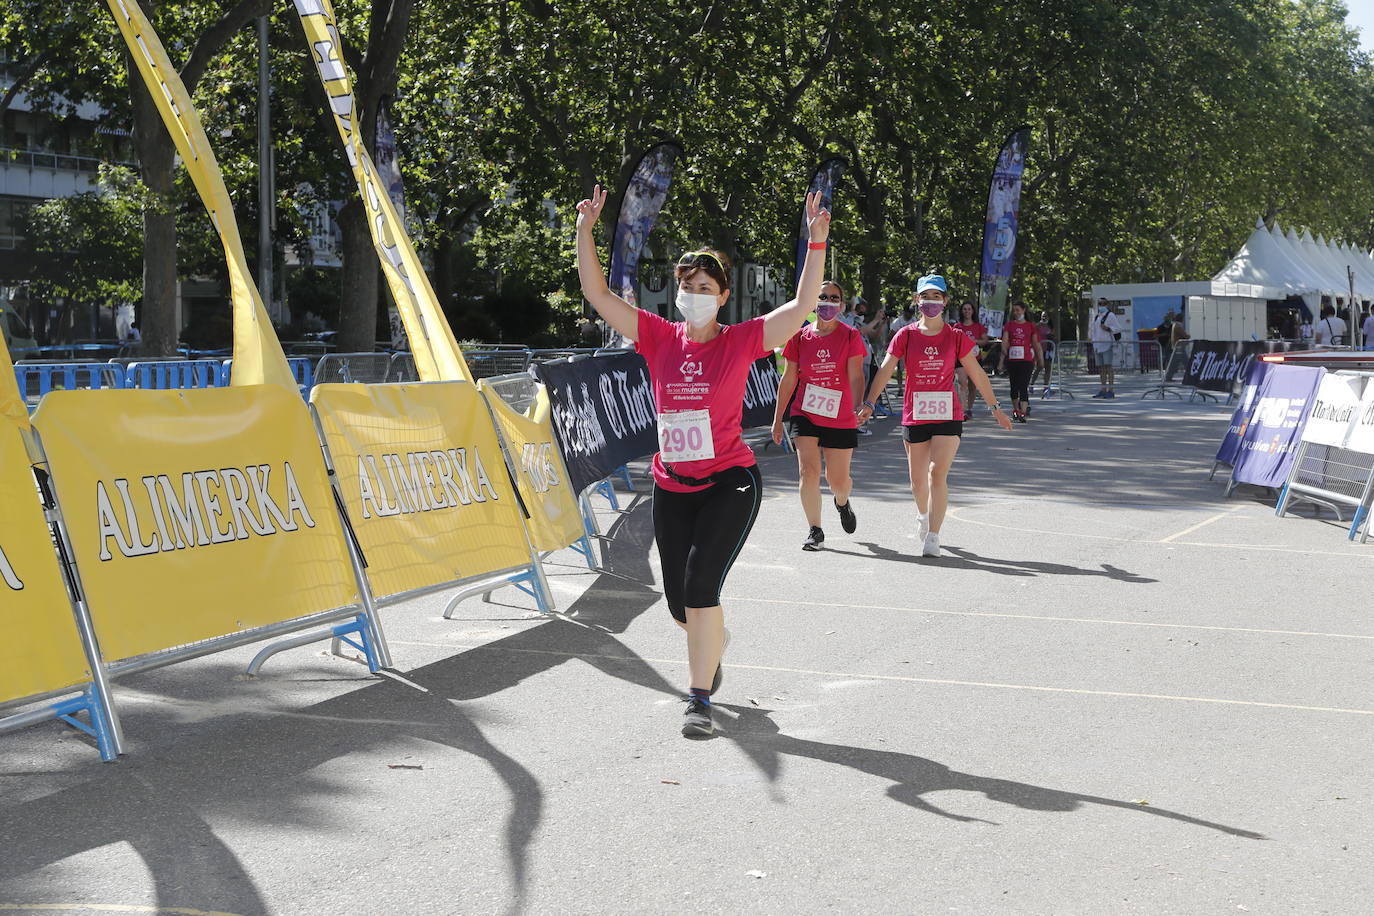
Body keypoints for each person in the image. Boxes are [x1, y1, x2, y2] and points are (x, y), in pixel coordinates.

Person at [575, 185, 831, 738]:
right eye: (687, 287)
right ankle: (711, 638)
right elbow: (596, 292)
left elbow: (802, 306)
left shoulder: (740, 341)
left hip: (729, 482)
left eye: (705, 288)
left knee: (699, 587)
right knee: (678, 602)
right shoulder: (657, 335)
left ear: (721, 297)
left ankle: (698, 700)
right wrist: (586, 229)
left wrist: (817, 242)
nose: (694, 294)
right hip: (672, 484)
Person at [857, 275, 1012, 557]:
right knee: (917, 481)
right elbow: (886, 369)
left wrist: (995, 409)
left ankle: (934, 536)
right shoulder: (905, 335)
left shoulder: (956, 336)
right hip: (914, 414)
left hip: (947, 413)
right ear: (917, 301)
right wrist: (869, 402)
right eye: (925, 297)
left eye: (936, 297)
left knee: (936, 472)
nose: (931, 302)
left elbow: (976, 373)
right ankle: (923, 515)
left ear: (945, 302)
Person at [771, 280, 866, 551]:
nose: (827, 302)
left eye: (833, 298)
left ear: (842, 305)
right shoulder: (800, 337)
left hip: (841, 415)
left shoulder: (849, 336)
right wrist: (778, 419)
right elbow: (789, 379)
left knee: (838, 481)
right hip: (805, 412)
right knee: (808, 471)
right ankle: (815, 529)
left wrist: (859, 405)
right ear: (814, 302)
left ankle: (842, 502)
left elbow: (856, 375)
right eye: (822, 296)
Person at [1001, 301, 1043, 422]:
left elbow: (1036, 343)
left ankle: (1023, 412)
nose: (1016, 313)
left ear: (1024, 310)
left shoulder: (1030, 326)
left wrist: (1040, 359)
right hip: (1012, 360)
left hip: (1026, 360)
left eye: (1018, 310)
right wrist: (1004, 351)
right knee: (1014, 386)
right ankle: (1016, 409)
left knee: (1023, 385)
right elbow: (1005, 340)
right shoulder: (1009, 325)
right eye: (1014, 311)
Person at [951, 301, 988, 416]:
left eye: (969, 309)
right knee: (962, 383)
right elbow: (952, 342)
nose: (967, 311)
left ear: (973, 311)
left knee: (973, 385)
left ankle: (969, 409)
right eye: (965, 309)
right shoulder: (957, 327)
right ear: (962, 311)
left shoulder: (978, 326)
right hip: (961, 359)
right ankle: (963, 409)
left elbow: (985, 341)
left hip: (975, 358)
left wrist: (974, 340)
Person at [1089, 299, 1123, 398]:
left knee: (1108, 367)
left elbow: (1118, 328)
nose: (1101, 305)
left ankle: (1111, 390)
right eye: (1099, 304)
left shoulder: (1110, 315)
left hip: (1107, 344)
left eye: (1103, 304)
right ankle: (1103, 389)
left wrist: (1108, 328)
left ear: (1107, 305)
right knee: (1101, 368)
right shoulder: (1096, 316)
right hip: (1097, 345)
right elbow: (1093, 330)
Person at [1032, 309, 1055, 392]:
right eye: (1043, 315)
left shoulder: (1050, 326)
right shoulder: (1038, 326)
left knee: (1048, 368)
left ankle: (1046, 386)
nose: (1044, 317)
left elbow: (1053, 335)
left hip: (1048, 349)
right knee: (1039, 367)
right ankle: (1031, 384)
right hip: (1040, 349)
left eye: (1045, 315)